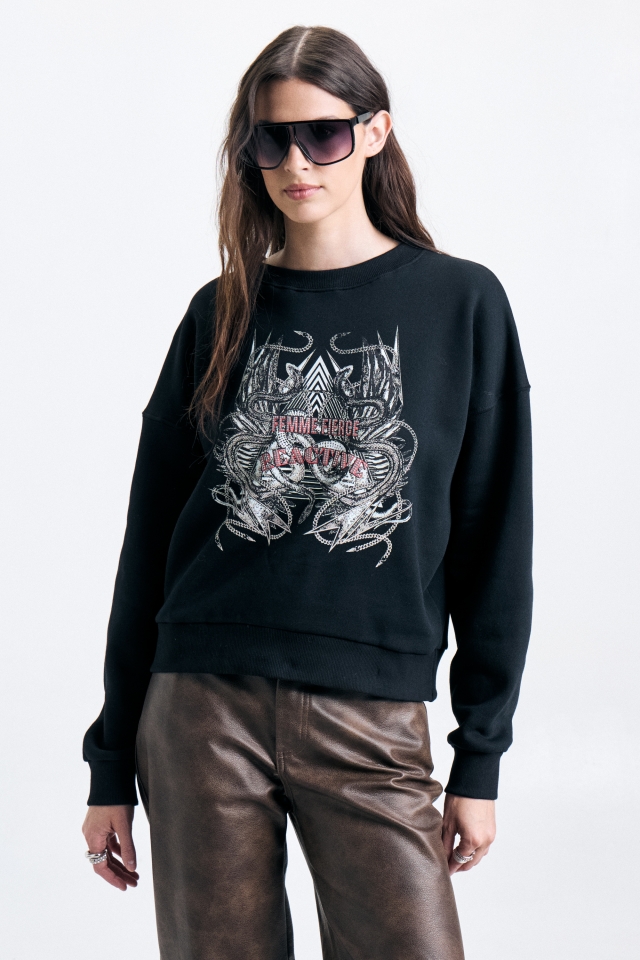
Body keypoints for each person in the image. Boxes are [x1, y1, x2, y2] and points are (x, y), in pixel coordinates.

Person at [81, 24, 533, 960]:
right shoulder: (219, 311)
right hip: (200, 709)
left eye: (322, 134)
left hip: (372, 717)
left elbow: (496, 538)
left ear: (375, 132)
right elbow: (148, 545)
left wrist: (480, 756)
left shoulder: (461, 304)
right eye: (270, 140)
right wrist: (110, 763)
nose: (295, 163)